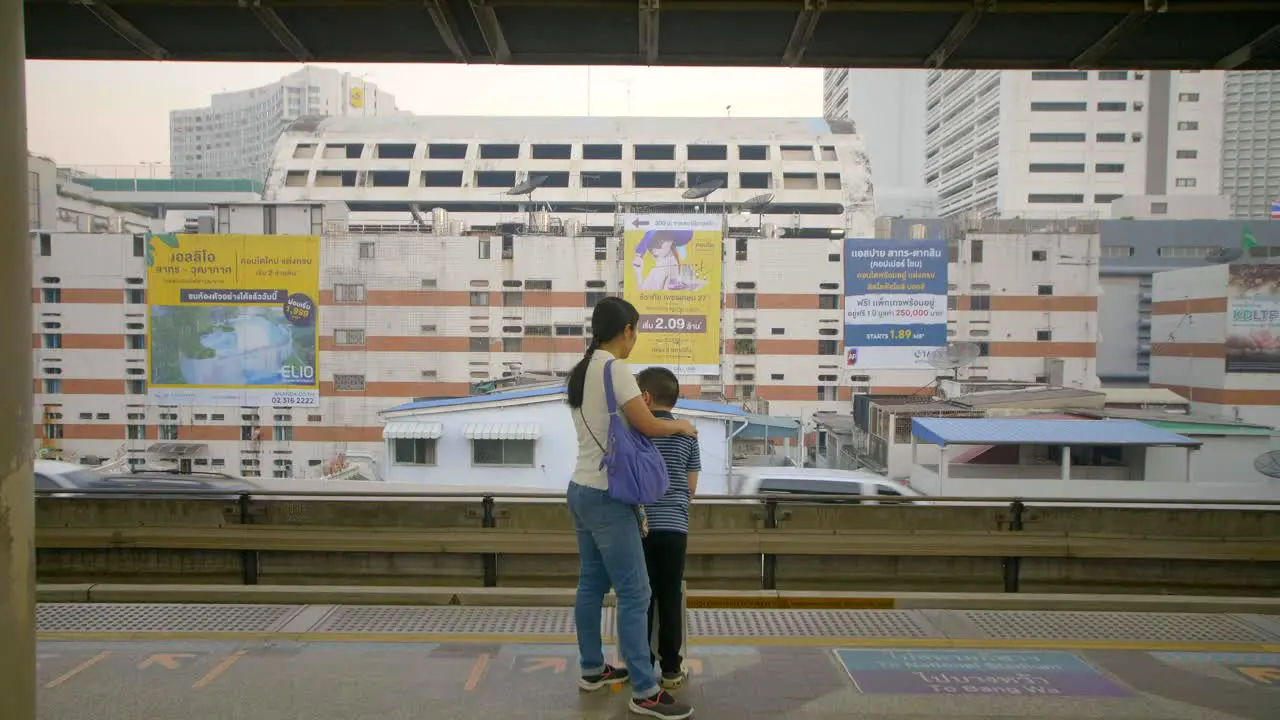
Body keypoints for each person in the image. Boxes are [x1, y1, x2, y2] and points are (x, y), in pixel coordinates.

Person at [567, 296, 698, 719]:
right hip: (609, 495)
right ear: (625, 330)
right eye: (635, 330)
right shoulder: (614, 369)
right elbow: (648, 424)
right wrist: (682, 424)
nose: (635, 338)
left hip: (580, 487)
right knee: (636, 591)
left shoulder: (581, 370)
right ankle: (644, 690)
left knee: (591, 583)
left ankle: (591, 669)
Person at [636, 366, 700, 689]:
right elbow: (691, 488)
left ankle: (643, 667)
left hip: (642, 527)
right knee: (670, 595)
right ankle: (672, 669)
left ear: (646, 398)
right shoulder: (688, 434)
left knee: (643, 596)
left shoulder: (639, 432)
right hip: (675, 526)